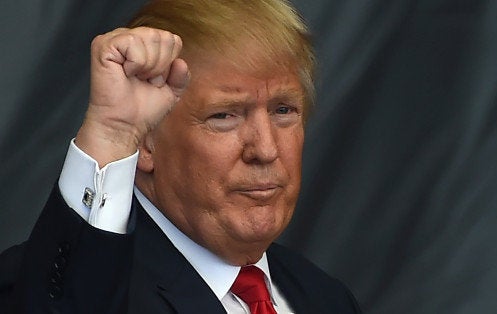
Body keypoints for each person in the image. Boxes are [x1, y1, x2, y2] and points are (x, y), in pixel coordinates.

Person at [0, 0, 362, 313]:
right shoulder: (56, 286)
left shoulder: (325, 298)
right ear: (145, 142)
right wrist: (114, 136)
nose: (265, 150)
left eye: (283, 110)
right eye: (224, 116)